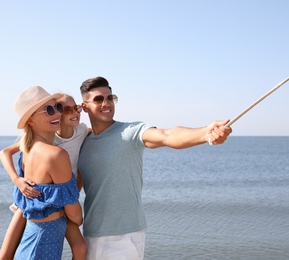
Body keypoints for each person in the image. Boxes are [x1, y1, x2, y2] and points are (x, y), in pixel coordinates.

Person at [78, 76, 232, 260]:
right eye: (98, 99)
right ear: (84, 106)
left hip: (123, 237)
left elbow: (167, 135)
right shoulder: (83, 141)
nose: (106, 103)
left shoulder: (130, 132)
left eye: (110, 98)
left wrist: (205, 133)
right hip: (90, 234)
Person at [0, 93, 88, 260]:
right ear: (30, 120)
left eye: (57, 108)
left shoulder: (29, 148)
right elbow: (73, 211)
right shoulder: (56, 154)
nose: (57, 113)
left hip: (36, 239)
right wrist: (79, 219)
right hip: (41, 247)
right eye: (48, 110)